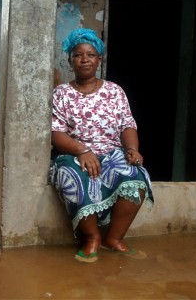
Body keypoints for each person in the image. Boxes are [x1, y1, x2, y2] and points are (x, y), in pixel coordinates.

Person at [49, 28, 154, 263]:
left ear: (99, 59)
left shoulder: (115, 92)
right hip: (74, 153)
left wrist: (132, 150)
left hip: (111, 152)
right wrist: (82, 151)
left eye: (90, 54)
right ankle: (92, 238)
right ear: (70, 60)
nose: (84, 59)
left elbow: (127, 125)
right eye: (78, 54)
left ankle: (114, 239)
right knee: (70, 174)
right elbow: (56, 133)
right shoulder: (61, 94)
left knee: (134, 175)